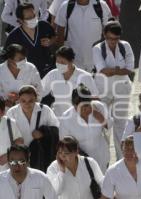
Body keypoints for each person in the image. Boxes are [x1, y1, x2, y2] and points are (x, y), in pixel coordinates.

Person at [92, 19, 134, 160]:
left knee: (120, 125)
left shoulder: (125, 46)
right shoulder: (97, 48)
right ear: (104, 35)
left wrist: (113, 70)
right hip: (102, 91)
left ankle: (121, 160)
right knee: (103, 125)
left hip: (122, 91)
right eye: (110, 38)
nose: (113, 41)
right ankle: (103, 160)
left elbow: (129, 69)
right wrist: (118, 70)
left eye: (116, 39)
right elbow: (103, 70)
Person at [59, 84, 112, 173]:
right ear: (74, 105)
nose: (85, 109)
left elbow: (109, 125)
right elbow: (64, 143)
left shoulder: (99, 106)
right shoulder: (66, 117)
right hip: (81, 162)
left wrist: (98, 116)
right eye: (81, 107)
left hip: (102, 156)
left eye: (87, 105)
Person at [6, 85, 60, 171]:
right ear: (19, 100)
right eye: (23, 101)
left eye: (30, 101)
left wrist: (43, 132)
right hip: (19, 157)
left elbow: (57, 129)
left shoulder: (45, 110)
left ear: (36, 99)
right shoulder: (11, 112)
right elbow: (6, 135)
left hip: (40, 156)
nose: (27, 104)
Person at [55, 0, 112, 72]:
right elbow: (60, 35)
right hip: (73, 63)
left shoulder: (101, 6)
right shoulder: (65, 6)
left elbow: (110, 32)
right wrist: (63, 60)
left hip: (97, 63)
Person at [42, 46, 99, 116]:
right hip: (58, 118)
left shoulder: (85, 76)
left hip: (78, 118)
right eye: (57, 62)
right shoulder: (52, 74)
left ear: (71, 61)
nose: (59, 65)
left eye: (63, 62)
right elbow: (40, 91)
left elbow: (95, 99)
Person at [4, 3, 56, 78]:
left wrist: (50, 41)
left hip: (48, 72)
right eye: (28, 18)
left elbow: (54, 37)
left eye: (34, 16)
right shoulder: (14, 37)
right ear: (20, 20)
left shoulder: (44, 25)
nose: (33, 19)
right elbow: (6, 58)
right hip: (26, 76)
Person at [0, 43, 43, 108]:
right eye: (20, 59)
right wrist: (6, 101)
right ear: (10, 60)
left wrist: (26, 99)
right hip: (5, 110)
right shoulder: (1, 70)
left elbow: (39, 90)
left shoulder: (31, 68)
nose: (23, 61)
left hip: (28, 109)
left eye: (24, 58)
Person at [0, 97, 23, 172]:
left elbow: (20, 141)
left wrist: (8, 156)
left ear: (3, 112)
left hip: (7, 169)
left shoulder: (10, 123)